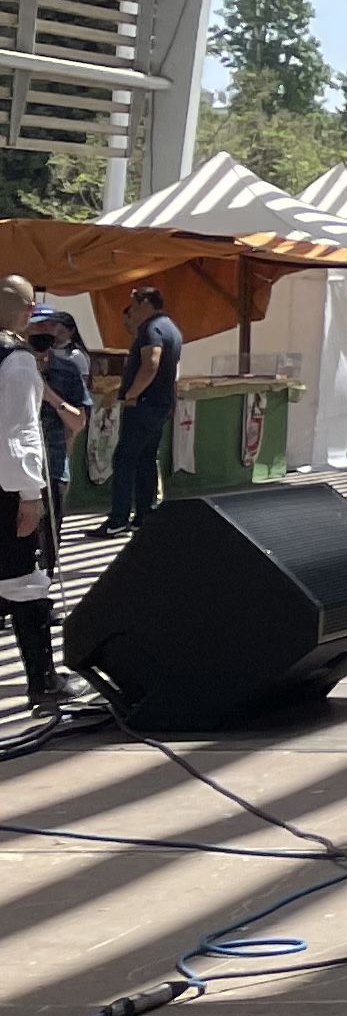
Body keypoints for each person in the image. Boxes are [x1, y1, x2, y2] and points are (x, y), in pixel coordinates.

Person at [0, 278, 61, 721]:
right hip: (4, 488)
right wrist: (30, 493)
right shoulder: (16, 361)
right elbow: (19, 433)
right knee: (24, 582)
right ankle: (44, 682)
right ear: (24, 310)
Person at [104, 280, 180, 534]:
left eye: (134, 305)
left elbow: (151, 363)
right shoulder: (171, 328)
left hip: (144, 404)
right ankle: (144, 515)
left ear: (146, 303)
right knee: (146, 458)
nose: (132, 311)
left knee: (125, 459)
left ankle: (118, 519)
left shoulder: (150, 329)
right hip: (160, 405)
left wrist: (131, 394)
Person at [30, 311, 90, 556]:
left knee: (49, 543)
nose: (47, 330)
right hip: (16, 469)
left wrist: (50, 396)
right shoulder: (8, 366)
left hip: (53, 465)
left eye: (51, 325)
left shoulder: (67, 370)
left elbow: (78, 422)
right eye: (39, 325)